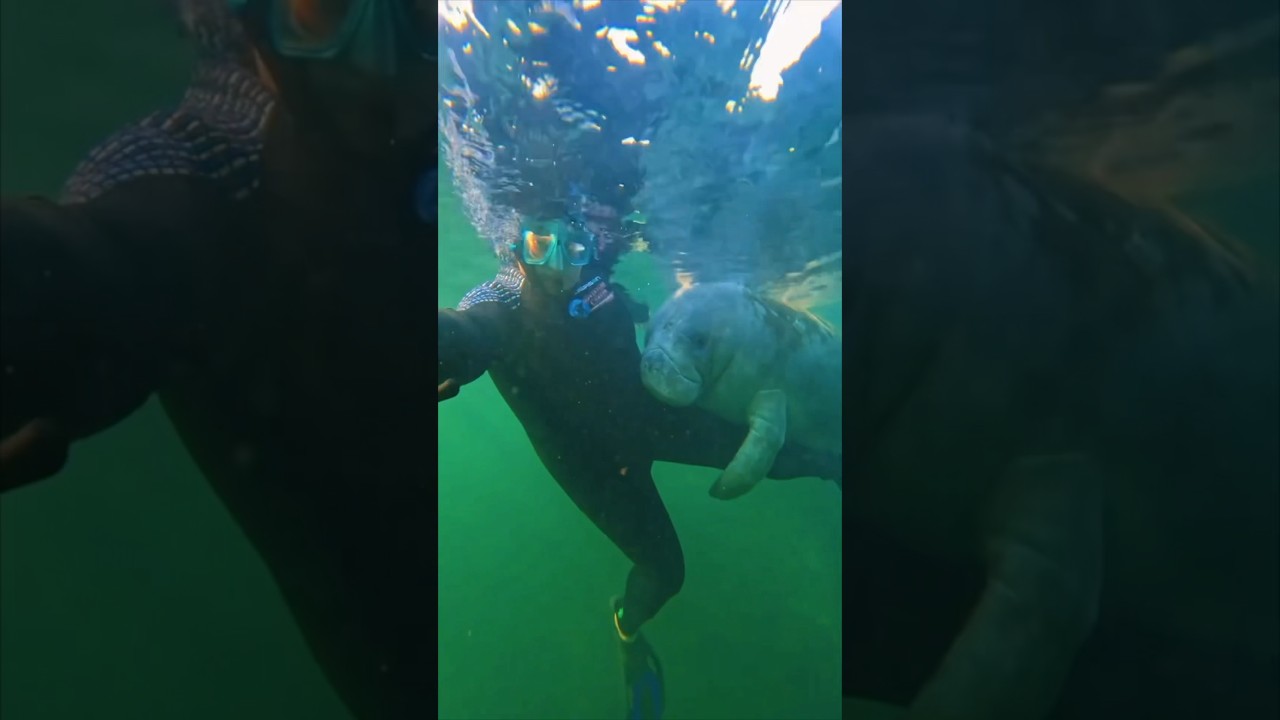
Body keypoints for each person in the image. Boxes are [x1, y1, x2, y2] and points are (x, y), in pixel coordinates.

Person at [0, 1, 435, 717]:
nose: (383, 58)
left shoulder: (505, 141)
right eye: (329, 5)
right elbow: (88, 257)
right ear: (248, 18)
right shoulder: (201, 169)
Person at [437, 191, 841, 717]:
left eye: (573, 247)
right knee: (666, 572)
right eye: (539, 246)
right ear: (516, 246)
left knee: (787, 456)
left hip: (650, 414)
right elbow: (467, 329)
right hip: (590, 463)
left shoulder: (594, 267)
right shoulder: (501, 301)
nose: (558, 265)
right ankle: (626, 628)